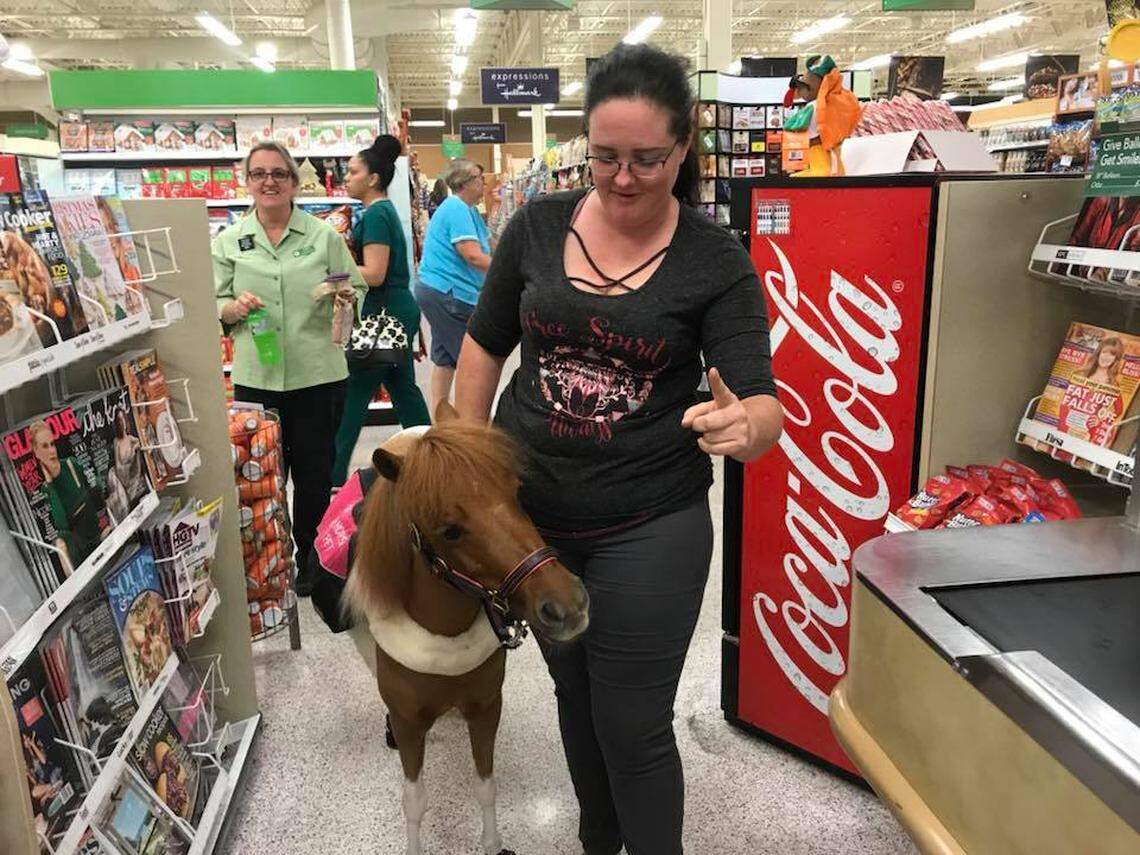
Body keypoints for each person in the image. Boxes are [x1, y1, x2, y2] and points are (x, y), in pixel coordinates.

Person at [454, 44, 783, 855]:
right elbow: (483, 346)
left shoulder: (715, 260)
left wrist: (748, 427)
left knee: (632, 721)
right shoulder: (535, 226)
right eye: (605, 157)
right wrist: (468, 461)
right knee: (576, 693)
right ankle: (597, 840)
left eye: (647, 159)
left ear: (684, 149)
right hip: (533, 525)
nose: (623, 177)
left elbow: (762, 399)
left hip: (650, 522)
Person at [213, 141, 365, 595]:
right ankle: (269, 562)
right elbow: (213, 303)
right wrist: (234, 307)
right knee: (262, 476)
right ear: (247, 182)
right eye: (259, 173)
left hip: (317, 374)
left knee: (315, 475)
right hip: (257, 376)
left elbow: (353, 283)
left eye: (279, 173)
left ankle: (313, 564)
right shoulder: (229, 241)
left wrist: (337, 292)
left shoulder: (322, 237)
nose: (269, 182)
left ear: (294, 182)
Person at [332, 136, 431, 486]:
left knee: (353, 395)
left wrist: (331, 272)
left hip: (381, 317)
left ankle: (331, 476)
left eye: (354, 171)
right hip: (395, 314)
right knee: (404, 389)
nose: (347, 177)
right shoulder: (385, 211)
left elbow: (374, 273)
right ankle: (431, 459)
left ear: (373, 178)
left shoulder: (375, 215)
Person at [414, 158, 492, 414]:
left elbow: (490, 245)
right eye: (480, 178)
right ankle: (472, 425)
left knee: (445, 358)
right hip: (449, 293)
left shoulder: (468, 210)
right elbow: (471, 254)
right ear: (466, 182)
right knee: (473, 361)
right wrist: (508, 271)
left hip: (441, 290)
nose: (484, 182)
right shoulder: (457, 209)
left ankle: (440, 418)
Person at [30, 420, 107, 575]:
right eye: (45, 446)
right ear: (36, 452)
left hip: (98, 536)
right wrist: (51, 484)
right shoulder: (45, 490)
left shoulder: (71, 465)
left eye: (52, 444)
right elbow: (62, 524)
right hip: (79, 553)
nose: (52, 450)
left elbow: (93, 495)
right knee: (60, 542)